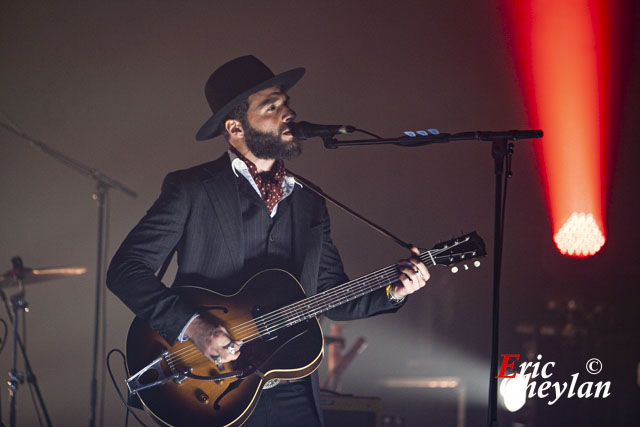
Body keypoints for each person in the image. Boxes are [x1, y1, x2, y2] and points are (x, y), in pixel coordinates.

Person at [107, 55, 430, 427]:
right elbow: (125, 271)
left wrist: (395, 290)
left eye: (286, 103)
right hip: (210, 386)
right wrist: (194, 326)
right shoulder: (193, 189)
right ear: (235, 127)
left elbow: (333, 297)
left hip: (291, 389)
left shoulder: (310, 201)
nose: (288, 112)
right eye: (272, 106)